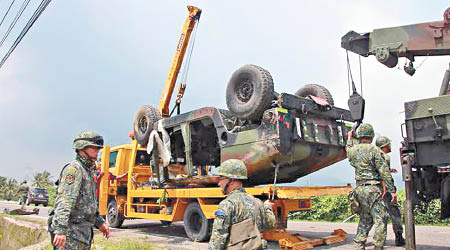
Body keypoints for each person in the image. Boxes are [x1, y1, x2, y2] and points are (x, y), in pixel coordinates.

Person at [48, 131, 110, 250]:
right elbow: (65, 200)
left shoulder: (88, 172)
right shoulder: (74, 170)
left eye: (99, 148)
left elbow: (88, 204)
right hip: (70, 234)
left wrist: (100, 222)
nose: (97, 151)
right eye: (94, 148)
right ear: (82, 147)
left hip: (82, 235)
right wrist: (60, 230)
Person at [346, 124, 397, 250]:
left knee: (365, 217)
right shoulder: (375, 150)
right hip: (373, 189)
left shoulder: (352, 150)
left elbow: (348, 149)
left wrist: (349, 138)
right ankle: (378, 246)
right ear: (372, 135)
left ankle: (359, 243)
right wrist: (392, 191)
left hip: (359, 189)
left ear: (360, 136)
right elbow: (384, 171)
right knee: (381, 218)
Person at [208, 159, 276, 250]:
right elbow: (270, 224)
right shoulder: (257, 202)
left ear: (231, 181)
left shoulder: (227, 204)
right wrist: (267, 207)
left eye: (221, 179)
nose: (219, 183)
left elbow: (218, 239)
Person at [375, 136, 405, 246]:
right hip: (385, 190)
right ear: (385, 145)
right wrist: (390, 191)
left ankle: (379, 241)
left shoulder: (373, 155)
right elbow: (384, 176)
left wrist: (389, 170)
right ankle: (399, 238)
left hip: (373, 190)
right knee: (395, 214)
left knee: (378, 216)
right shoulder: (385, 157)